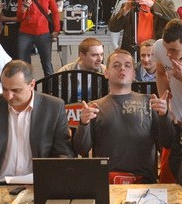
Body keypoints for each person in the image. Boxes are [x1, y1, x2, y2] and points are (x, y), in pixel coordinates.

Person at [0, 59, 74, 185]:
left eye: (16, 90)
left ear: (32, 85)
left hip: (38, 183)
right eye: (4, 89)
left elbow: (64, 154)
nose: (9, 96)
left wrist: (48, 178)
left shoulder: (54, 107)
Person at [74, 50, 174, 183]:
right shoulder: (94, 107)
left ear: (134, 74)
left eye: (127, 65)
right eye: (116, 65)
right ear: (106, 73)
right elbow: (81, 149)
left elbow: (168, 142)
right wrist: (83, 123)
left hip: (144, 183)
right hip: (108, 183)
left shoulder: (150, 103)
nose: (122, 68)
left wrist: (164, 116)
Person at [108, 0, 176, 55]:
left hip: (157, 53)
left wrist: (152, 5)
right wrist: (125, 10)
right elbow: (113, 28)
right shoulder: (128, 4)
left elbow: (175, 18)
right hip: (133, 53)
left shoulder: (166, 4)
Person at [16, 0, 60, 75]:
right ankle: (28, 85)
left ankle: (50, 85)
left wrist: (56, 29)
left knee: (47, 64)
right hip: (25, 32)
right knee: (24, 65)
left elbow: (55, 12)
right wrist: (24, 8)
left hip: (43, 32)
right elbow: (19, 18)